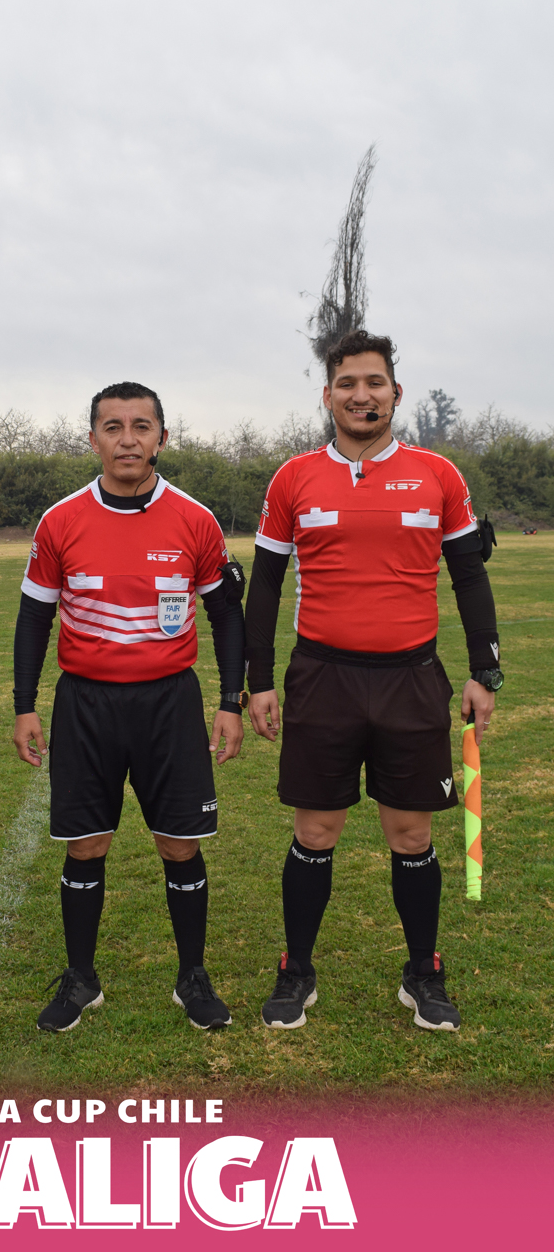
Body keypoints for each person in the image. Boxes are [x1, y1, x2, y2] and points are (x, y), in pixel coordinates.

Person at [245, 330, 502, 1032]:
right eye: (348, 384)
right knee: (316, 828)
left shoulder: (438, 476)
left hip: (411, 678)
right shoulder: (293, 478)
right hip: (322, 677)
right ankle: (297, 970)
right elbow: (264, 586)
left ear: (395, 392)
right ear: (328, 395)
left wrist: (484, 671)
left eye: (375, 383)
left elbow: (468, 576)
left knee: (411, 833)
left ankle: (423, 973)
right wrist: (259, 680)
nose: (363, 395)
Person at [12, 381, 246, 1032]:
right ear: (93, 439)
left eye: (141, 426)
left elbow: (227, 614)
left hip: (169, 702)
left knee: (180, 844)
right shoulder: (61, 521)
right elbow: (33, 619)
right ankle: (81, 979)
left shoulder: (194, 519)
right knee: (86, 844)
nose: (127, 439)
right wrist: (24, 705)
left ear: (162, 438)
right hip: (85, 703)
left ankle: (192, 977)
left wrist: (230, 700)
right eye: (112, 427)